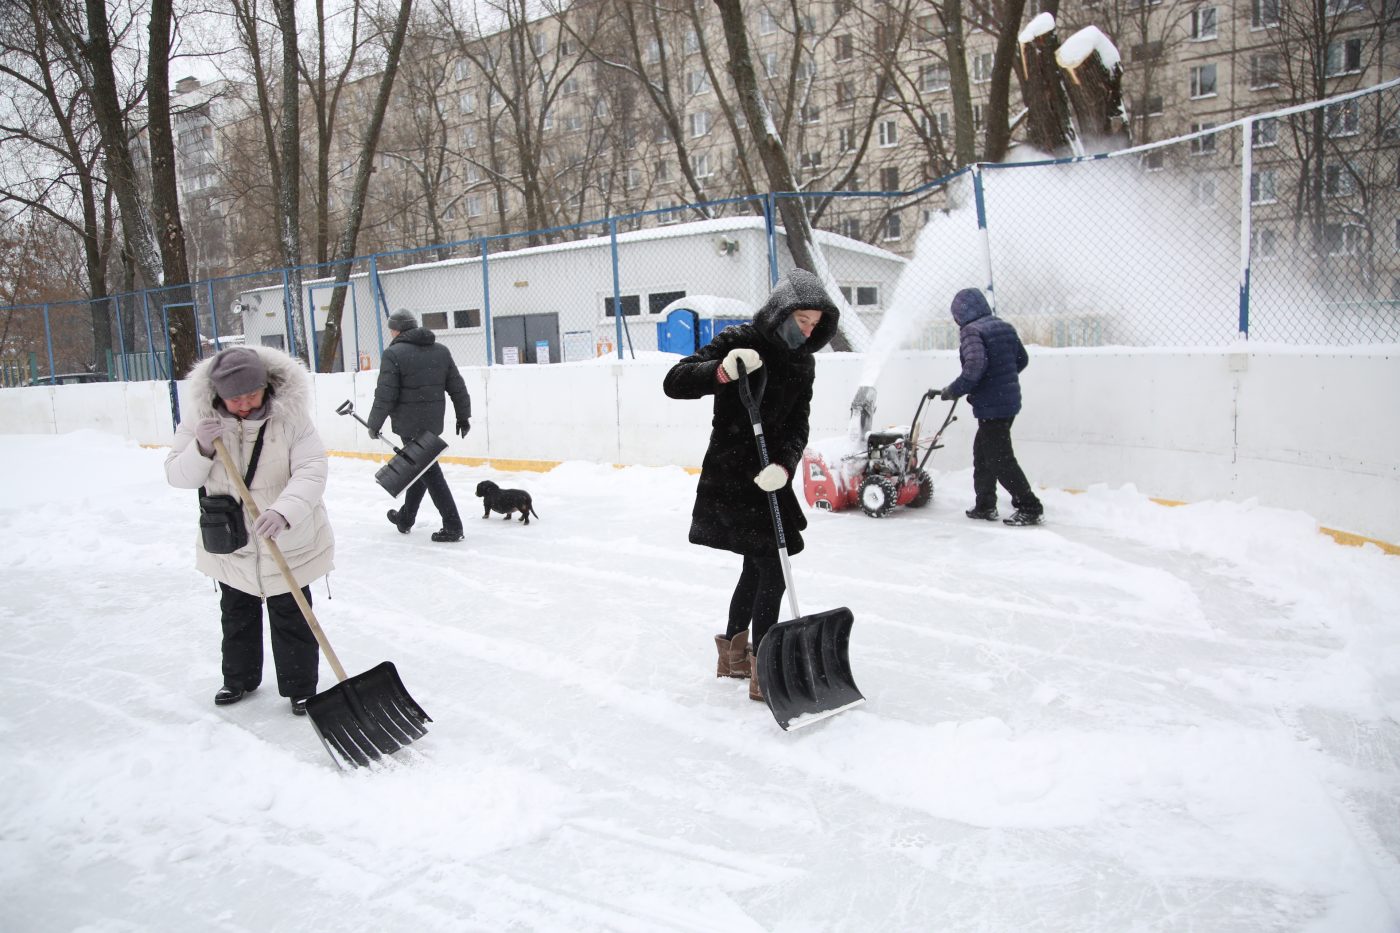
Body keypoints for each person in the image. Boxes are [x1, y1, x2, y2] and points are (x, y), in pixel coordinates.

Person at [663, 269, 840, 702]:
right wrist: (721, 371)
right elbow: (675, 381)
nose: (809, 329)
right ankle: (766, 665)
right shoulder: (740, 339)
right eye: (802, 320)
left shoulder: (805, 361)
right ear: (782, 311)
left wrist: (785, 464)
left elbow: (799, 423)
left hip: (770, 477)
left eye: (816, 323)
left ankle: (734, 656)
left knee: (757, 566)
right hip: (731, 473)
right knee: (773, 569)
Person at [165, 345, 335, 714]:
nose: (243, 404)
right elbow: (176, 475)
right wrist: (200, 448)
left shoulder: (291, 418)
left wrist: (284, 511)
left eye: (251, 395)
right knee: (236, 612)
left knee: (293, 615)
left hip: (288, 537)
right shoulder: (201, 419)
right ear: (217, 395)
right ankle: (238, 679)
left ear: (266, 386)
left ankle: (301, 688)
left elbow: (312, 469)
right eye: (234, 399)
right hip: (231, 539)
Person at [940, 287, 1044, 526]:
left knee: (1000, 459)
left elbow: (974, 367)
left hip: (992, 405)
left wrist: (953, 390)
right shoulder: (1002, 326)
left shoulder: (971, 331)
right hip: (1008, 401)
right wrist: (1001, 379)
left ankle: (1030, 506)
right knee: (984, 453)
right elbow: (1022, 359)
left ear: (960, 313)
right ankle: (985, 505)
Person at [366, 309, 472, 543]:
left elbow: (385, 394)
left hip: (408, 424)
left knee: (428, 471)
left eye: (391, 329)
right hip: (432, 423)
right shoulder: (441, 351)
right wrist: (463, 416)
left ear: (396, 330)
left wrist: (374, 424)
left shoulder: (393, 354)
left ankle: (453, 525)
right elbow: (457, 387)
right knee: (420, 468)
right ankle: (405, 518)